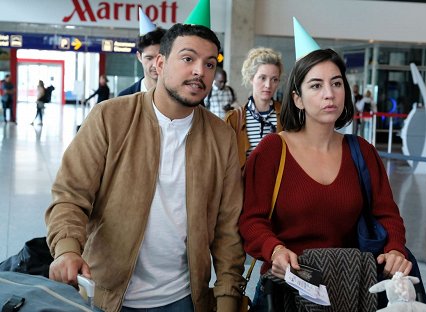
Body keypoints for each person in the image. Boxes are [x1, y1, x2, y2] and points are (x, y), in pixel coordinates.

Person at [45, 23, 245, 312]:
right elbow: (70, 195)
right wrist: (66, 249)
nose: (200, 71)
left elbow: (228, 227)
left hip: (185, 299)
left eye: (210, 63)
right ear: (160, 64)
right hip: (107, 295)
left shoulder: (221, 136)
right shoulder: (110, 118)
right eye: (188, 59)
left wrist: (227, 299)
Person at [239, 49, 412, 310]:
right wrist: (274, 250)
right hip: (288, 288)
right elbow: (251, 219)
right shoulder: (272, 150)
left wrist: (396, 249)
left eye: (337, 83)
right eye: (316, 85)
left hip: (352, 287)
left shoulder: (362, 152)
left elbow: (386, 214)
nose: (329, 94)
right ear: (297, 99)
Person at [224, 47, 283, 169]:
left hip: (278, 185)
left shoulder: (285, 115)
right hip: (245, 185)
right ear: (251, 78)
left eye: (274, 79)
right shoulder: (234, 119)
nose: (268, 85)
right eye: (262, 78)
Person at [118, 18, 166, 96]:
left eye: (160, 58)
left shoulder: (179, 97)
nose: (155, 64)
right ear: (139, 56)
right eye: (149, 58)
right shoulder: (124, 98)